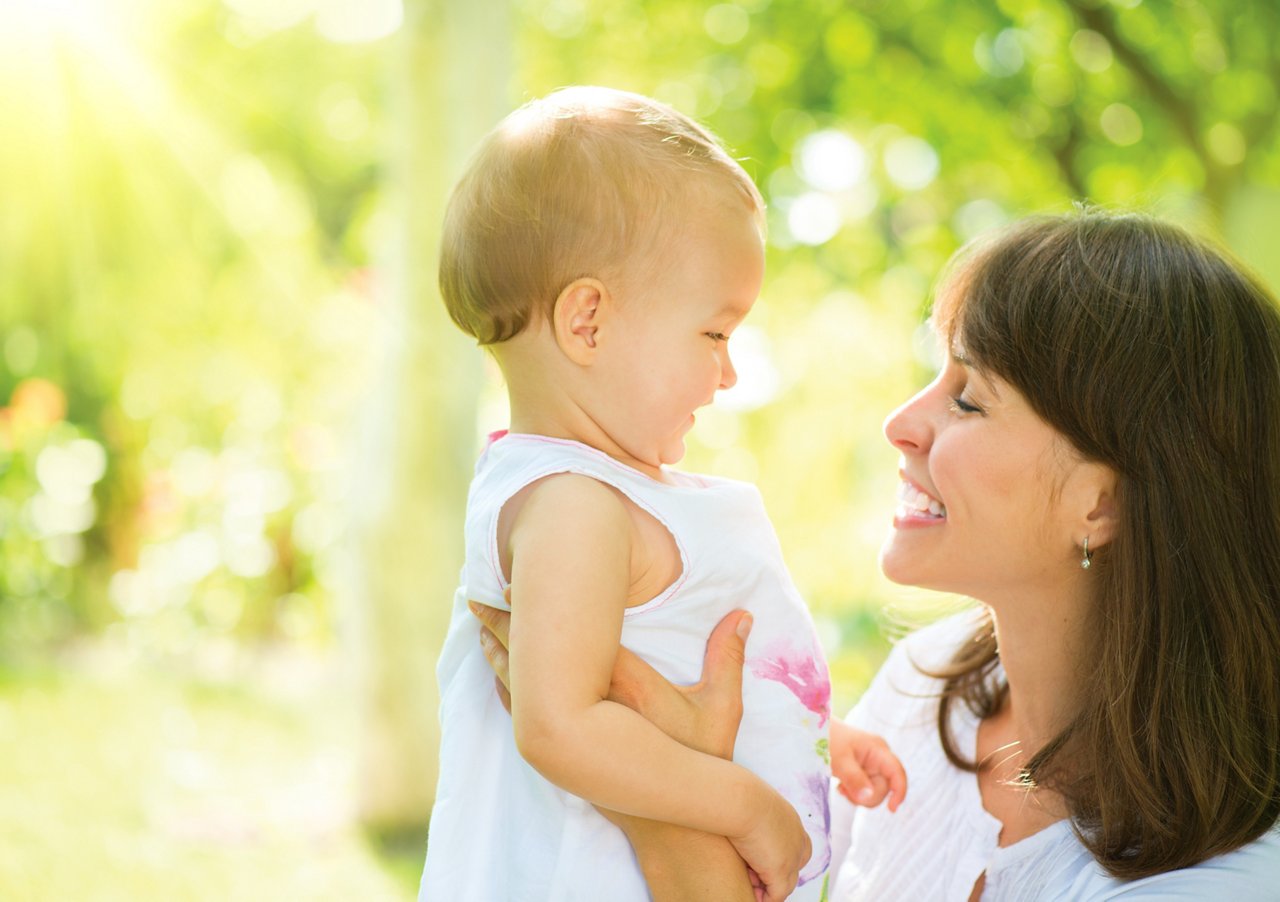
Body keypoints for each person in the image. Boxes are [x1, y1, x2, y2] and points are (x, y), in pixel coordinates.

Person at [473, 210, 1280, 899]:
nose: (902, 421)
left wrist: (664, 816)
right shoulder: (922, 699)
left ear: (1100, 504)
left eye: (969, 398)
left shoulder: (1229, 879)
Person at [418, 86, 906, 902]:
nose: (729, 371)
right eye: (714, 332)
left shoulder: (606, 490)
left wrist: (806, 737)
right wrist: (744, 803)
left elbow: (672, 660)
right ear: (589, 323)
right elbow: (560, 726)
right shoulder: (573, 505)